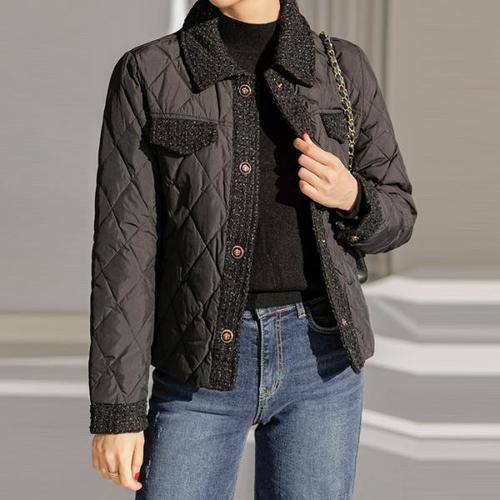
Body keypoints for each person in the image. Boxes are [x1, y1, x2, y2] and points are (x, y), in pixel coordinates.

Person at [88, 0, 417, 498]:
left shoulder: (341, 67)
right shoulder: (149, 71)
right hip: (197, 363)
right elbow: (124, 253)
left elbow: (399, 215)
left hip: (321, 361)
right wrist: (119, 412)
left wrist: (351, 196)